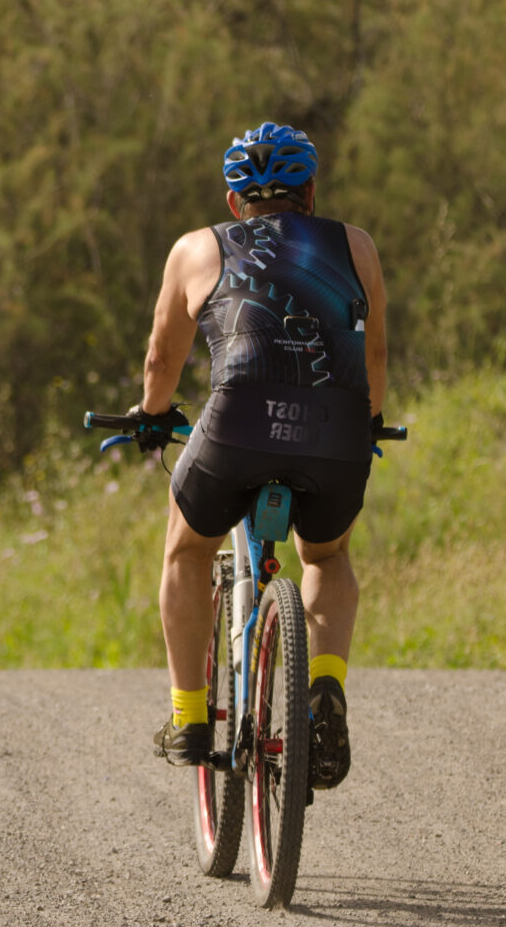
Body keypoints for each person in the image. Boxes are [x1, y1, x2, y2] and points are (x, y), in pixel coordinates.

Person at [123, 122, 388, 790]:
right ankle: (323, 685)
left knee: (185, 552)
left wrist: (153, 418)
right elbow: (375, 355)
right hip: (335, 431)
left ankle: (189, 717)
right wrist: (372, 421)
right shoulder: (356, 245)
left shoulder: (195, 249)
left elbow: (162, 358)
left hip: (237, 423)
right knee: (326, 556)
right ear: (310, 191)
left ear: (234, 200)